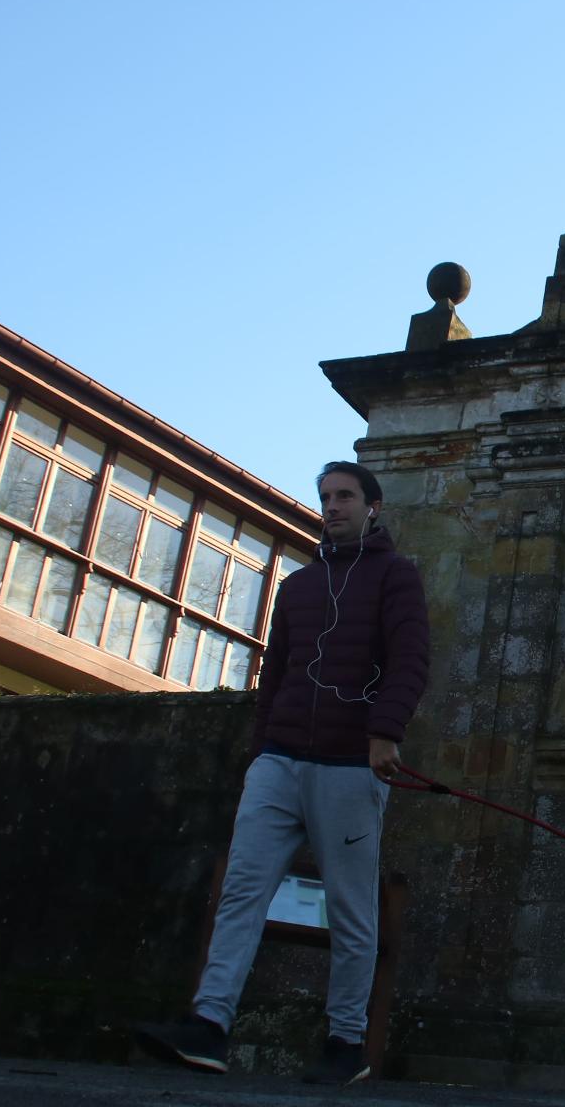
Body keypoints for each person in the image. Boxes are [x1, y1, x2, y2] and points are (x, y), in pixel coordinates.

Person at [136, 460, 429, 1086]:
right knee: (242, 890)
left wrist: (385, 733)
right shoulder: (296, 588)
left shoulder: (397, 578)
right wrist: (260, 751)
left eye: (346, 496)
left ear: (373, 506)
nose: (333, 506)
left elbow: (411, 660)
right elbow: (273, 675)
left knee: (352, 909)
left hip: (352, 766)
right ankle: (209, 1027)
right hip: (280, 761)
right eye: (325, 497)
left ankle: (346, 1043)